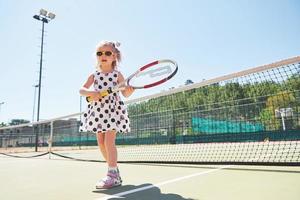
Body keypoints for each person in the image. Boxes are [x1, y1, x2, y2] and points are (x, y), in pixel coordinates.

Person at [79, 41, 134, 189]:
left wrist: (129, 90)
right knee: (101, 143)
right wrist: (92, 93)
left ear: (114, 57)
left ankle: (112, 175)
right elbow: (81, 90)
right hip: (98, 111)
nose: (103, 55)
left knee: (109, 141)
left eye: (107, 53)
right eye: (99, 53)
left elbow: (125, 93)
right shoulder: (94, 75)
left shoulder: (117, 75)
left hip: (113, 110)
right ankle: (114, 169)